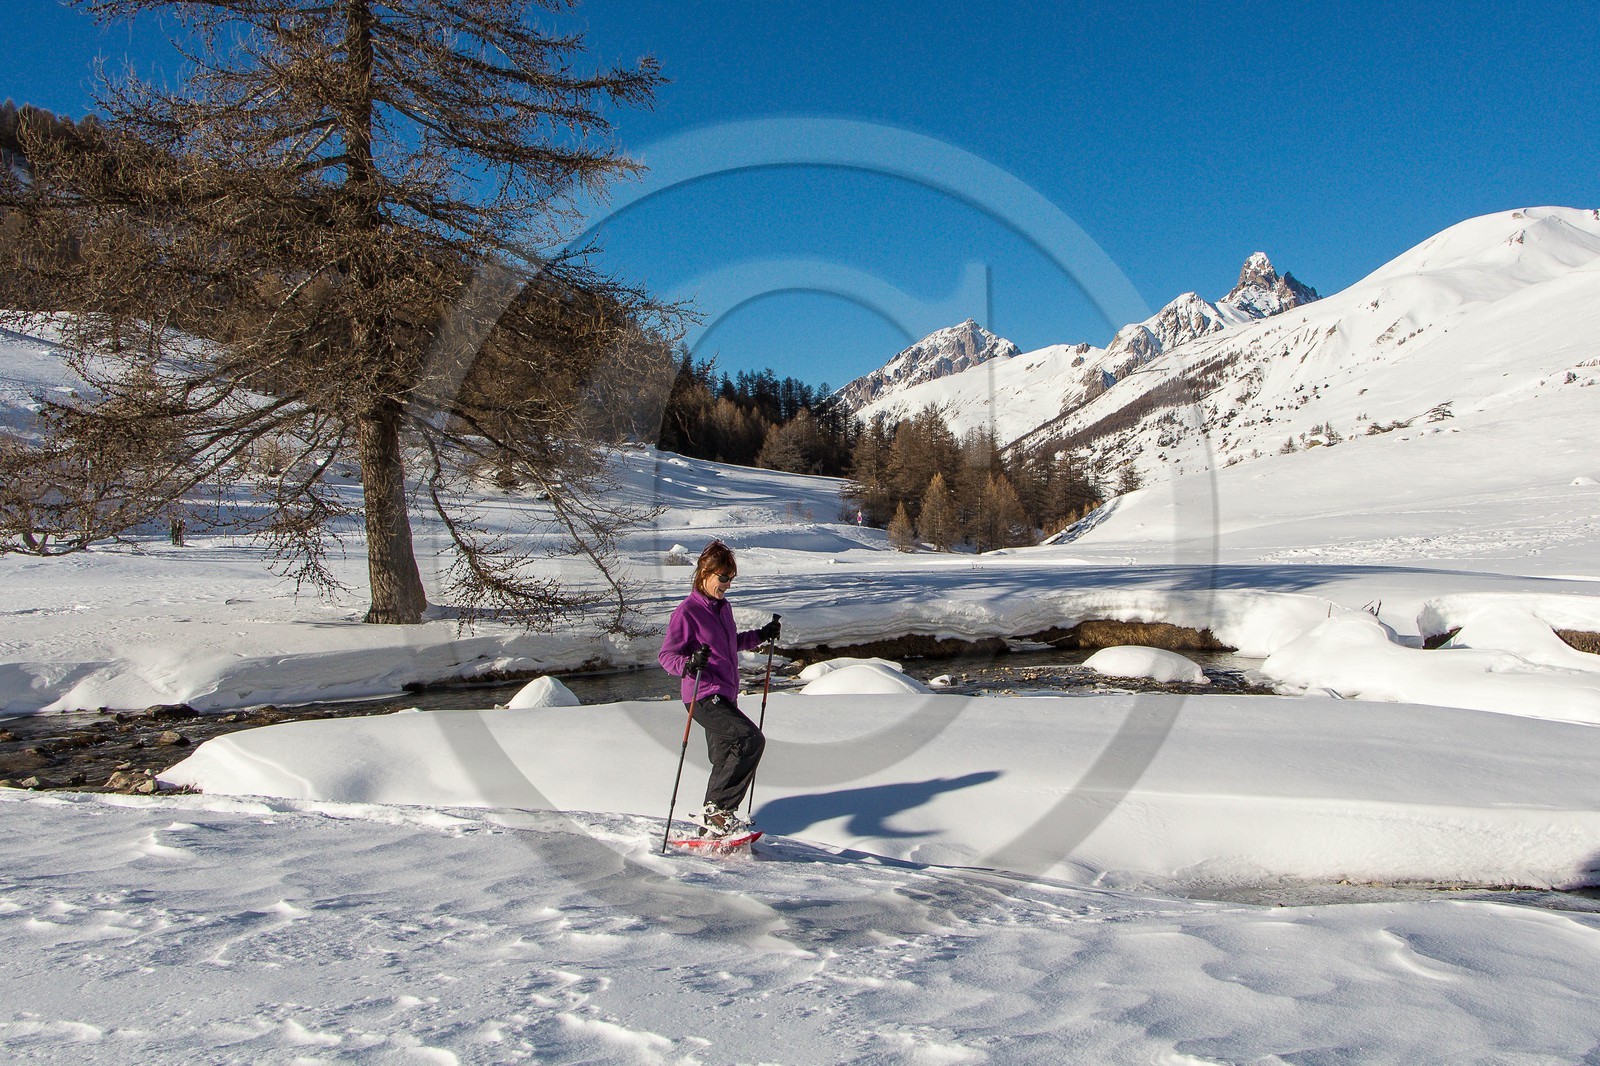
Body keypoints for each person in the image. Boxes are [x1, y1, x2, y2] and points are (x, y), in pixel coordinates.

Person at [659, 540, 782, 836]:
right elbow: (666, 656)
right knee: (751, 740)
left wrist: (761, 635)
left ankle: (712, 827)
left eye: (731, 578)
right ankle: (719, 811)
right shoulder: (687, 612)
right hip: (701, 696)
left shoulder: (722, 608)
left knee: (725, 758)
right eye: (723, 577)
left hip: (724, 695)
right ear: (705, 573)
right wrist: (689, 663)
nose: (727, 584)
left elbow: (730, 644)